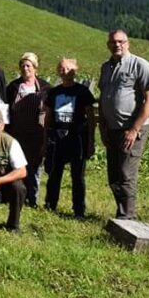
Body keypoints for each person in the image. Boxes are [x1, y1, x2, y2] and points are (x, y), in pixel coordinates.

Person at [98, 29, 149, 220]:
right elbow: (103, 99)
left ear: (128, 43)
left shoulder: (140, 65)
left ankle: (127, 218)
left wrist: (134, 129)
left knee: (126, 174)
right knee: (113, 176)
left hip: (132, 129)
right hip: (112, 129)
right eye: (113, 42)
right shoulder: (106, 68)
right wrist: (102, 126)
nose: (117, 45)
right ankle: (122, 211)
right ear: (108, 45)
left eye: (121, 42)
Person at [44, 58, 96, 219]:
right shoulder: (54, 92)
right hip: (58, 138)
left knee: (77, 176)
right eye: (61, 68)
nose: (64, 71)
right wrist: (46, 137)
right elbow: (48, 117)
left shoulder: (82, 92)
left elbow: (91, 117)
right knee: (54, 173)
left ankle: (79, 209)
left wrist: (90, 141)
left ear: (75, 70)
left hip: (77, 139)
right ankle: (50, 205)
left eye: (68, 68)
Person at [5, 52, 51, 207]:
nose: (25, 69)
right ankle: (18, 195)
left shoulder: (45, 88)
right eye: (22, 65)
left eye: (28, 66)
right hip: (18, 132)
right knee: (18, 164)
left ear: (35, 68)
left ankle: (33, 198)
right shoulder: (13, 87)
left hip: (37, 132)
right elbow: (7, 109)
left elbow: (49, 111)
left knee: (35, 167)